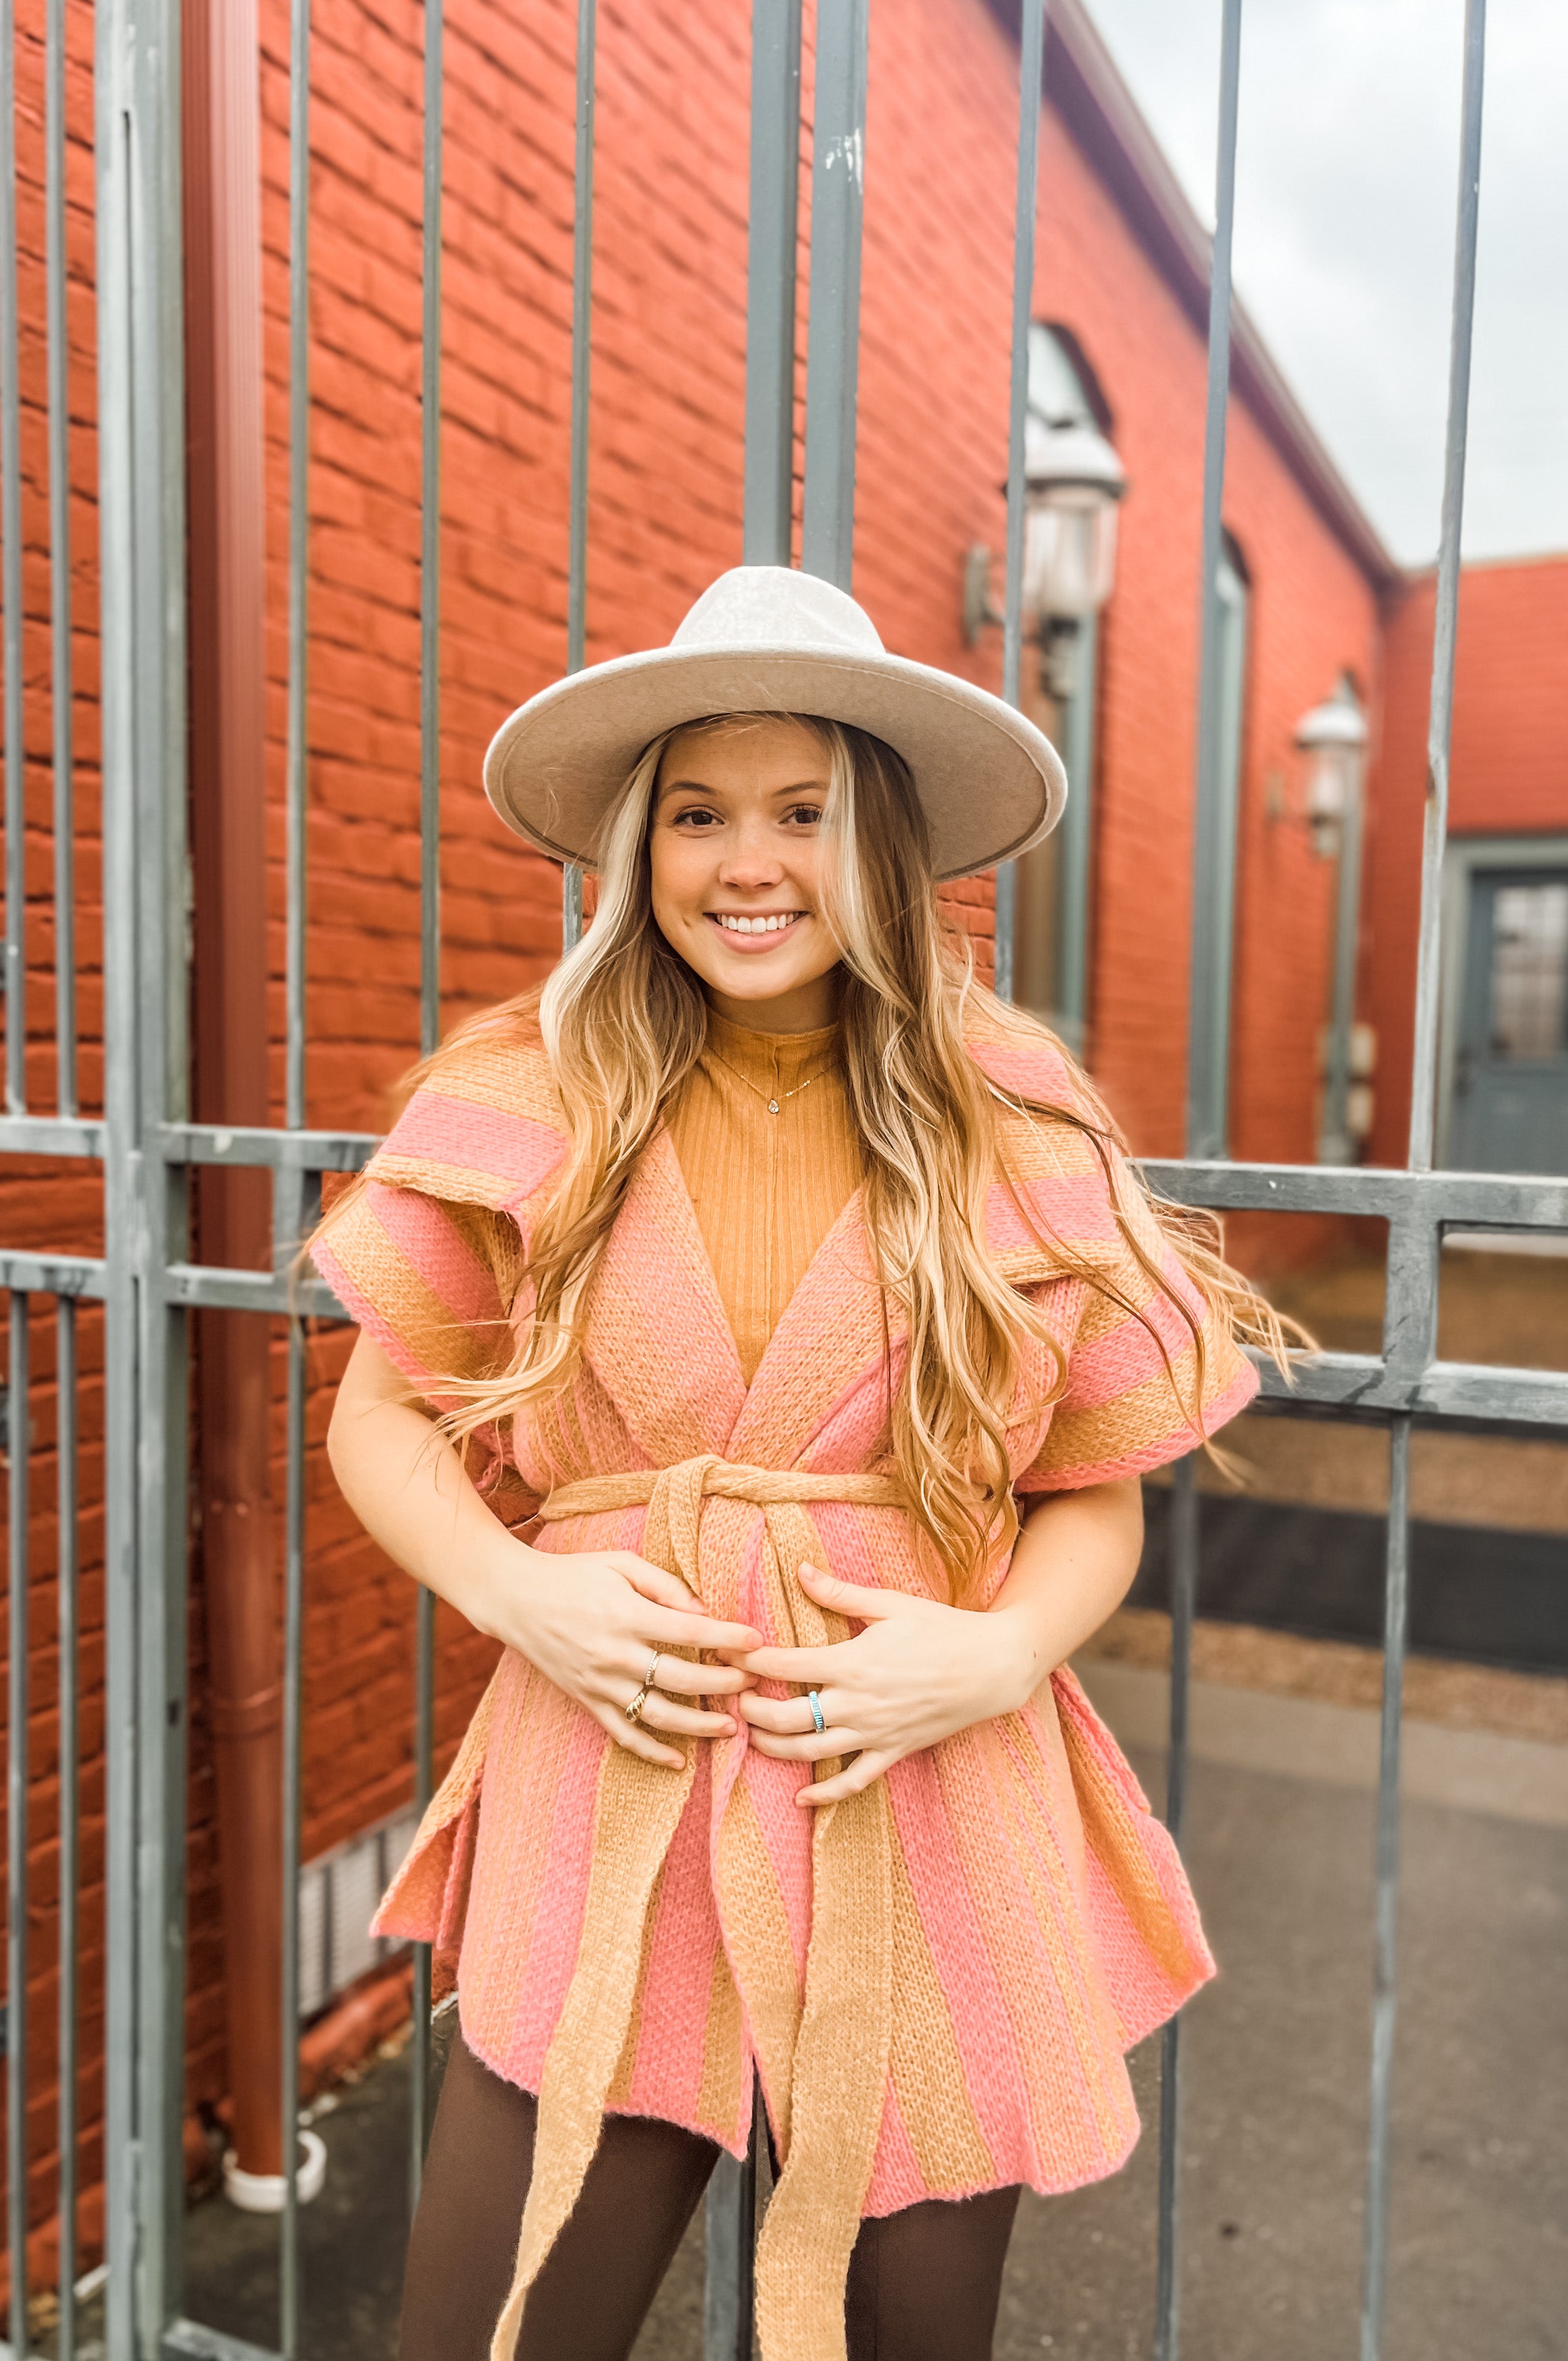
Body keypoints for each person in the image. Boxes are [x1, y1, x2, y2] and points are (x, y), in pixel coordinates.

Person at [315, 566, 1291, 2361]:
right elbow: (374, 1418)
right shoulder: (536, 1085)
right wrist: (519, 1587)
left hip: (915, 1787)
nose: (743, 861)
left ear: (891, 842)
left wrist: (995, 1652)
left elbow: (1089, 1489)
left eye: (804, 809)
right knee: (491, 2328)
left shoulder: (1007, 1112)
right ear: (637, 843)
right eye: (696, 812)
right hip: (612, 1765)